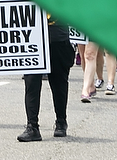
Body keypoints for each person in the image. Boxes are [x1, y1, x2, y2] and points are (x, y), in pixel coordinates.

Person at [19, 13, 77, 141]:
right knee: (31, 82)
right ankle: (32, 126)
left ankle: (61, 121)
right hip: (32, 35)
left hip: (57, 35)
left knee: (59, 82)